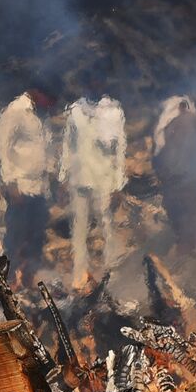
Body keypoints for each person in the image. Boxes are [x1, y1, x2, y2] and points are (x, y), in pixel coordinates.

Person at [59, 95, 126, 284]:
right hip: (79, 177)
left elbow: (119, 150)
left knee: (106, 225)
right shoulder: (75, 111)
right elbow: (67, 146)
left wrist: (118, 185)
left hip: (103, 179)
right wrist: (63, 177)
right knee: (79, 228)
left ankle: (111, 273)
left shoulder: (113, 112)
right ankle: (79, 276)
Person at [0, 89, 54, 275]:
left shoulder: (43, 113)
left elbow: (47, 145)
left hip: (38, 186)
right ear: (36, 92)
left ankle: (29, 277)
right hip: (20, 185)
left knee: (36, 234)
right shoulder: (15, 110)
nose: (50, 102)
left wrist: (51, 172)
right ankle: (8, 278)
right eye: (48, 96)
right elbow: (2, 147)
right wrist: (10, 183)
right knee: (16, 235)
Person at [152, 95, 196, 255]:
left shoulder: (165, 126)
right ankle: (192, 250)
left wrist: (162, 176)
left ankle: (184, 248)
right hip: (190, 177)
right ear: (185, 107)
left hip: (172, 180)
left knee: (179, 216)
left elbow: (157, 155)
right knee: (193, 213)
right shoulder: (195, 118)